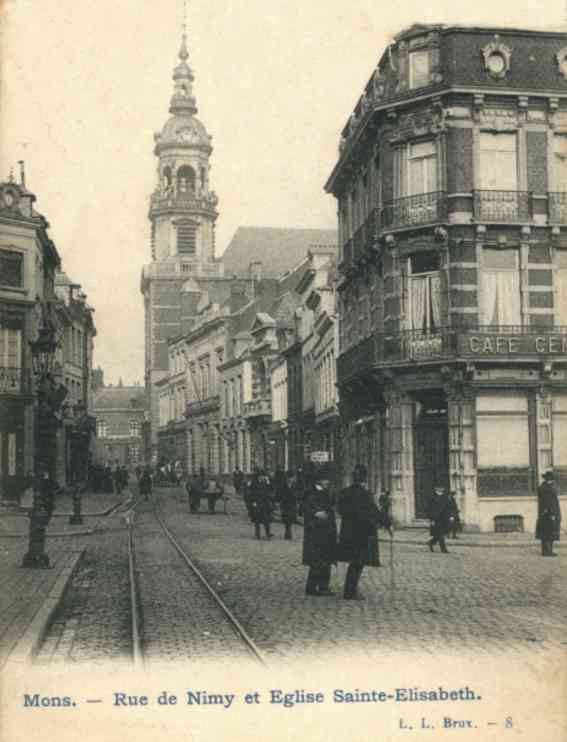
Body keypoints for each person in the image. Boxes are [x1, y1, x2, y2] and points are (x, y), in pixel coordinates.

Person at [337, 464, 381, 600]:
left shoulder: (344, 493)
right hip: (362, 534)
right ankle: (350, 592)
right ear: (364, 479)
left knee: (354, 562)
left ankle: (350, 590)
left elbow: (340, 510)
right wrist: (387, 523)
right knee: (358, 563)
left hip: (348, 533)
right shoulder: (365, 495)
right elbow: (373, 513)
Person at [302, 470, 337, 595]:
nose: (328, 482)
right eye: (325, 480)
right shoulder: (312, 493)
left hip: (326, 530)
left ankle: (319, 587)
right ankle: (316, 587)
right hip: (317, 531)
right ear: (319, 481)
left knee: (324, 560)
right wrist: (315, 514)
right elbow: (305, 509)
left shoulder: (326, 493)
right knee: (318, 560)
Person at [536, 470, 561, 557]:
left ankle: (546, 551)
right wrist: (552, 514)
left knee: (545, 532)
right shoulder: (548, 489)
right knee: (549, 532)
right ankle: (548, 551)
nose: (553, 481)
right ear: (549, 479)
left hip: (544, 513)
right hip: (549, 513)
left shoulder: (543, 487)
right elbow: (549, 503)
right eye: (552, 479)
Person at [249, 467, 273, 539]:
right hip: (257, 503)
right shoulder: (254, 483)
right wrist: (253, 502)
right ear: (259, 476)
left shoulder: (265, 483)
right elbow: (251, 493)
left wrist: (269, 482)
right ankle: (257, 534)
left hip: (265, 503)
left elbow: (270, 490)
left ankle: (268, 533)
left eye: (264, 476)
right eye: (262, 476)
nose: (263, 477)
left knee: (266, 519)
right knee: (257, 520)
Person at [274, 466, 296, 540]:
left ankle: (288, 532)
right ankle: (288, 533)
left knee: (291, 518)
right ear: (289, 478)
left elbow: (299, 494)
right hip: (285, 504)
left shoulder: (295, 485)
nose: (293, 479)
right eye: (292, 478)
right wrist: (278, 502)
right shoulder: (283, 485)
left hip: (293, 504)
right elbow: (279, 494)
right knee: (286, 519)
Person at [428, 485, 451, 553]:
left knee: (438, 535)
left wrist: (449, 517)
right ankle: (444, 550)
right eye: (439, 491)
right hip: (436, 520)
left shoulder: (445, 498)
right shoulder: (432, 498)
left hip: (443, 519)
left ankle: (431, 542)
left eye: (441, 491)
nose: (440, 492)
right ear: (436, 491)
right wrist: (432, 520)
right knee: (441, 535)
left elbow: (447, 509)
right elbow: (430, 510)